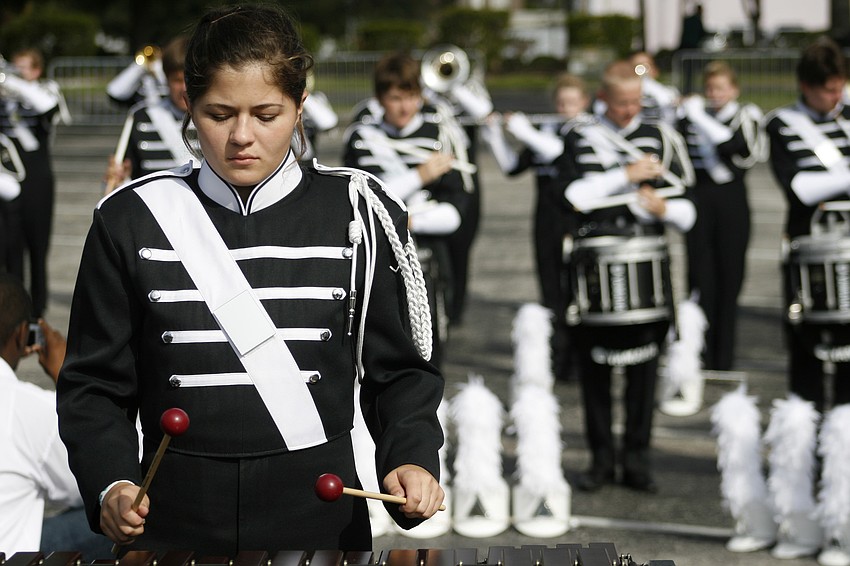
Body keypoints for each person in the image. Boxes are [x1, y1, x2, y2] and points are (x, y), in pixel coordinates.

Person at [57, 4, 444, 555]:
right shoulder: (131, 218)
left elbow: (400, 370)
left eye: (267, 114)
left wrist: (410, 457)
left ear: (300, 105)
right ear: (188, 105)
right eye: (219, 114)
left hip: (319, 517)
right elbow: (94, 384)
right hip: (171, 519)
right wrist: (111, 483)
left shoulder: (358, 210)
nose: (242, 136)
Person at [556, 60, 695, 494]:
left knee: (645, 371)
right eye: (621, 104)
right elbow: (571, 196)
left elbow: (689, 210)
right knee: (594, 373)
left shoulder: (661, 136)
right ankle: (600, 460)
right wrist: (625, 176)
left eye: (636, 102)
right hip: (593, 266)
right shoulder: (580, 136)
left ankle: (637, 459)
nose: (631, 110)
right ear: (603, 99)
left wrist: (664, 208)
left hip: (647, 260)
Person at [761, 35, 850, 561]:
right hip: (810, 265)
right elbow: (800, 187)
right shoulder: (783, 124)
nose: (834, 99)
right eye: (826, 92)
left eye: (840, 89)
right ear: (805, 87)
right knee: (809, 374)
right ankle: (805, 490)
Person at [342, 51, 469, 368]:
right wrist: (420, 177)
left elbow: (455, 214)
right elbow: (358, 200)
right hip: (378, 258)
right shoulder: (361, 138)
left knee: (430, 352)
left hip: (429, 257)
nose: (404, 107)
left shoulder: (439, 135)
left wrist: (404, 220)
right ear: (379, 98)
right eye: (395, 98)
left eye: (411, 97)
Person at [481, 72, 590, 381]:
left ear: (584, 102)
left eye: (572, 102)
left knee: (576, 291)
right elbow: (512, 167)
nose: (566, 108)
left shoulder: (587, 131)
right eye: (561, 102)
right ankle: (557, 356)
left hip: (575, 220)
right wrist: (494, 134)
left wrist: (524, 131)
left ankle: (579, 360)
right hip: (545, 219)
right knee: (550, 289)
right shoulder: (546, 130)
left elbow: (558, 151)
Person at [0, 273, 110, 558]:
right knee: (124, 507)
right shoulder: (25, 407)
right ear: (22, 335)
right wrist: (68, 381)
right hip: (10, 557)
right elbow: (100, 475)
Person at [678, 61, 767, 371]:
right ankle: (699, 351)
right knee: (700, 277)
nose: (714, 94)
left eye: (721, 88)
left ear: (734, 90)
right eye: (710, 88)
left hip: (731, 202)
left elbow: (737, 150)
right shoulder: (691, 117)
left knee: (730, 278)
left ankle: (724, 357)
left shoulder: (745, 115)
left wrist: (699, 116)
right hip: (699, 200)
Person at [0, 48, 62, 318]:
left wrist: (10, 81)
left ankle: (37, 312)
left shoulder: (45, 89)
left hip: (37, 179)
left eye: (23, 68)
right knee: (10, 249)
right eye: (13, 67)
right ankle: (13, 312)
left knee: (38, 248)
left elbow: (47, 107)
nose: (15, 72)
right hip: (6, 180)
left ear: (37, 70)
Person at [103, 35, 195, 194]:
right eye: (177, 80)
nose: (184, 88)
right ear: (166, 79)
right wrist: (120, 179)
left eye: (189, 80)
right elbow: (125, 178)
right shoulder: (140, 118)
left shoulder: (218, 117)